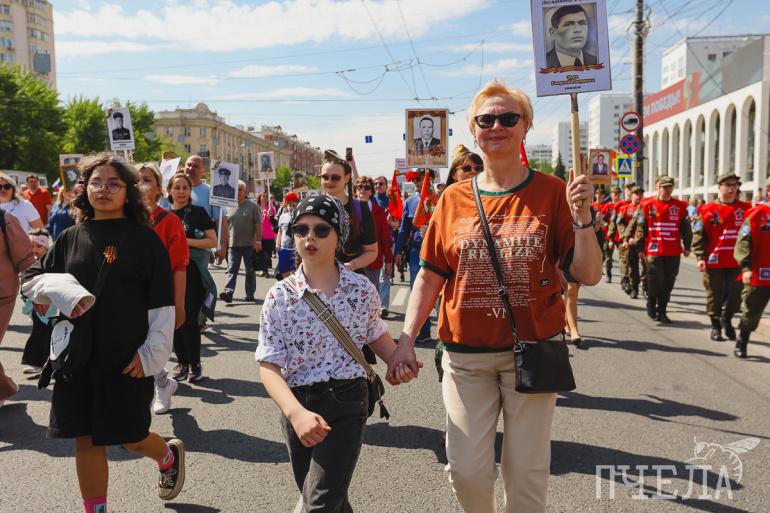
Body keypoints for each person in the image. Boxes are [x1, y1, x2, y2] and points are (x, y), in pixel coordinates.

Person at [388, 80, 601, 513]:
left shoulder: (553, 192)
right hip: (465, 357)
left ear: (526, 126)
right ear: (473, 130)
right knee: (466, 471)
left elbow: (588, 274)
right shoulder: (452, 199)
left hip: (533, 352)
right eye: (486, 120)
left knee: (525, 474)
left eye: (508, 118)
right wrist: (406, 338)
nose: (497, 126)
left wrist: (583, 219)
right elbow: (429, 276)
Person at [22, 154, 185, 511]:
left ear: (128, 192)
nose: (104, 189)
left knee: (130, 439)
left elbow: (161, 305)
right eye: (96, 182)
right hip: (77, 356)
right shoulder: (69, 237)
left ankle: (167, 456)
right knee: (85, 440)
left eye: (114, 183)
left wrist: (151, 355)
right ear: (84, 189)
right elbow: (33, 280)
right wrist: (56, 288)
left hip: (127, 357)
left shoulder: (145, 240)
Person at [256, 194, 417, 512]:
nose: (309, 237)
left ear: (339, 236)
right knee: (326, 499)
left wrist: (399, 362)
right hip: (298, 403)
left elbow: (377, 337)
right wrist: (295, 414)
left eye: (321, 230)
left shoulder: (361, 289)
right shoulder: (278, 297)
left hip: (348, 399)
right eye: (301, 229)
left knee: (319, 503)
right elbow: (268, 365)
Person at [137, 162, 190, 415]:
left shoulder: (170, 221)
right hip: (129, 294)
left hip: (159, 296)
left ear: (159, 189)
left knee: (155, 345)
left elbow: (179, 266)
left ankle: (161, 384)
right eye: (135, 180)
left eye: (146, 180)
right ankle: (162, 381)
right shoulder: (122, 220)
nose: (140, 185)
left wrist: (179, 305)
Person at [168, 173, 217, 383]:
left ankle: (195, 363)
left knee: (188, 319)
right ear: (169, 191)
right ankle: (182, 362)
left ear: (190, 191)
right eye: (176, 187)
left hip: (192, 272)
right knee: (172, 319)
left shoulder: (198, 212)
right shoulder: (163, 215)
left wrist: (184, 241)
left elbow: (212, 241)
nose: (181, 191)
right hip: (168, 273)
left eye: (184, 188)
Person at [691, 173, 752, 341]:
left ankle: (728, 318)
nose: (732, 189)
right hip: (714, 259)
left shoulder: (747, 209)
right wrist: (700, 257)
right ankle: (715, 325)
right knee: (714, 294)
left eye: (735, 185)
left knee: (737, 294)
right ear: (720, 187)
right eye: (728, 185)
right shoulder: (707, 209)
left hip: (737, 261)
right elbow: (699, 235)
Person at [634, 175, 692, 323]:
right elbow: (641, 227)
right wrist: (640, 247)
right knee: (655, 279)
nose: (667, 190)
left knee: (668, 282)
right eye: (664, 187)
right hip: (654, 250)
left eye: (670, 187)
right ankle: (651, 300)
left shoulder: (680, 206)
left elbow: (686, 228)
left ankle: (662, 311)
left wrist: (687, 246)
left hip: (673, 250)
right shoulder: (647, 205)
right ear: (658, 188)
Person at [395, 169, 434, 344]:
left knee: (440, 293)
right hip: (416, 252)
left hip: (437, 251)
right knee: (418, 291)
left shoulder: (440, 199)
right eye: (416, 180)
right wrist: (397, 251)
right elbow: (403, 229)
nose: (418, 183)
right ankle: (424, 330)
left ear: (431, 180)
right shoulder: (410, 203)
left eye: (422, 179)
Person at [0, 209, 35, 407]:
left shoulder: (5, 219)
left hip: (2, 295)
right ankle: (4, 389)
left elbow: (26, 259)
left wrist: (36, 292)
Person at [733, 200, 770, 358]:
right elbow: (743, 242)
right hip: (761, 272)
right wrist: (746, 267)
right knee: (752, 310)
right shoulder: (758, 214)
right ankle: (743, 337)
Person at [20, 229, 56, 378]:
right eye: (31, 245)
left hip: (48, 305)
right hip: (35, 304)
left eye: (39, 246)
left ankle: (43, 364)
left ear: (46, 247)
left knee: (44, 334)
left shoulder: (50, 261)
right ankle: (40, 363)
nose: (34, 249)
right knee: (39, 332)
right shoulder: (29, 261)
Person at [355, 176, 394, 313]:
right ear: (356, 190)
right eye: (360, 187)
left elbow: (385, 239)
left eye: (367, 187)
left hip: (373, 261)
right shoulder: (349, 210)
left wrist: (388, 262)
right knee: (355, 298)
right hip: (353, 261)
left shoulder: (379, 211)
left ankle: (374, 322)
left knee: (372, 296)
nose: (363, 190)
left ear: (371, 191)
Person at [220, 180, 262, 303]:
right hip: (233, 245)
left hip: (249, 245)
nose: (237, 192)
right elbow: (225, 226)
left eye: (240, 190)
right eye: (235, 190)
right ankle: (228, 292)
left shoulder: (253, 206)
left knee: (250, 270)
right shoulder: (228, 206)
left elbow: (258, 225)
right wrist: (223, 242)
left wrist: (258, 241)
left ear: (245, 192)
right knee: (232, 269)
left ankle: (250, 294)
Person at [184, 155, 228, 263]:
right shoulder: (174, 189)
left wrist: (222, 246)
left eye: (195, 166)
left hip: (200, 250)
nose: (191, 168)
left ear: (203, 170)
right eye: (188, 165)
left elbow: (221, 221)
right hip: (176, 246)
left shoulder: (212, 192)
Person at [616, 186, 644, 298]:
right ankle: (630, 285)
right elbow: (619, 223)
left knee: (642, 266)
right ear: (631, 195)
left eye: (640, 193)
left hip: (641, 241)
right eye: (636, 193)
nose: (639, 196)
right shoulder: (625, 208)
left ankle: (643, 285)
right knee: (629, 263)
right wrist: (625, 238)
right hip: (628, 241)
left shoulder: (645, 208)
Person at [275, 192, 299, 280]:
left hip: (295, 248)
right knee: (284, 271)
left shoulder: (299, 217)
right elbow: (280, 231)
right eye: (290, 205)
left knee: (295, 270)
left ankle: (294, 285)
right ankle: (287, 284)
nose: (291, 207)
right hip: (284, 247)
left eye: (293, 205)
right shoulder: (283, 217)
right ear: (286, 206)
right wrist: (277, 244)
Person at [255, 192, 277, 277]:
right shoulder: (256, 208)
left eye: (266, 196)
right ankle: (264, 270)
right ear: (260, 197)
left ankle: (265, 270)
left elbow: (274, 223)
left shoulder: (271, 208)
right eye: (263, 196)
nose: (265, 197)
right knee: (260, 253)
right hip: (258, 233)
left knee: (267, 253)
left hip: (268, 234)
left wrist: (269, 216)